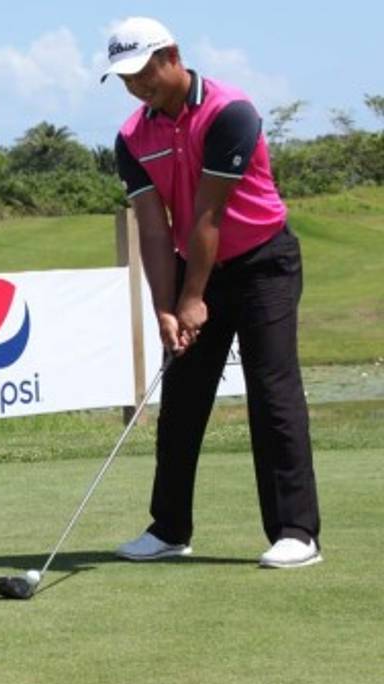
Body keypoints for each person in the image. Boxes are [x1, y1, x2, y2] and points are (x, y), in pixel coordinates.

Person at [103, 17, 321, 568]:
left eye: (142, 71)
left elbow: (208, 211)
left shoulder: (230, 112)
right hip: (192, 264)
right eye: (125, 77)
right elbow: (153, 228)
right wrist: (164, 307)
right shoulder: (132, 137)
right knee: (182, 397)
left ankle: (296, 532)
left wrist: (193, 297)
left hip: (263, 261)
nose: (136, 85)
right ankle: (169, 528)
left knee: (272, 392)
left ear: (171, 55)